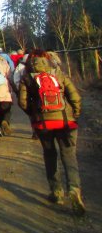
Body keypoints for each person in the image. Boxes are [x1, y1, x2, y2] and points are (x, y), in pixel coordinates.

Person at [18, 49, 84, 214]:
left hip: (44, 124)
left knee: (50, 155)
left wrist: (34, 116)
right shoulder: (58, 74)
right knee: (69, 155)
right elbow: (75, 96)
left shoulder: (27, 78)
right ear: (47, 60)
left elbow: (22, 102)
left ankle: (56, 192)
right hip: (65, 121)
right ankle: (74, 190)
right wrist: (75, 113)